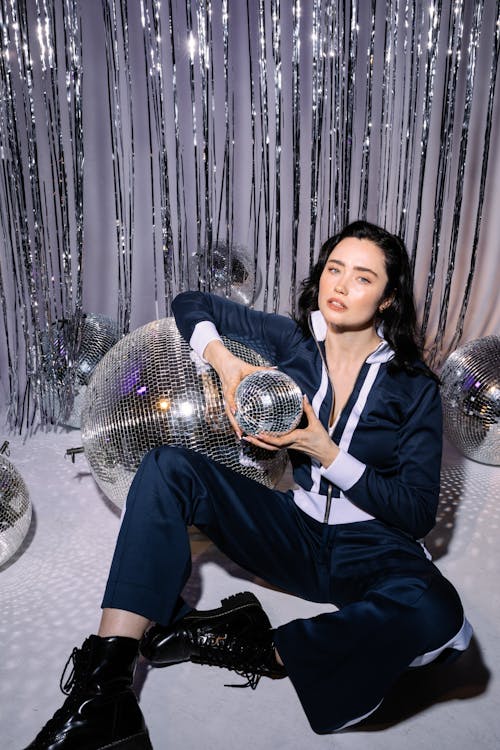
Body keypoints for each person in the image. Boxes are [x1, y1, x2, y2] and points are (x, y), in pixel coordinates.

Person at [25, 220, 472, 748]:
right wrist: (228, 365)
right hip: (295, 530)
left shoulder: (414, 385)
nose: (341, 286)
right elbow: (191, 300)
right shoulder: (295, 342)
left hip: (372, 547)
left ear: (388, 299)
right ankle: (105, 692)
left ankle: (255, 644)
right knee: (168, 468)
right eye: (334, 269)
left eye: (362, 278)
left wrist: (322, 450)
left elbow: (417, 513)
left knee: (437, 610)